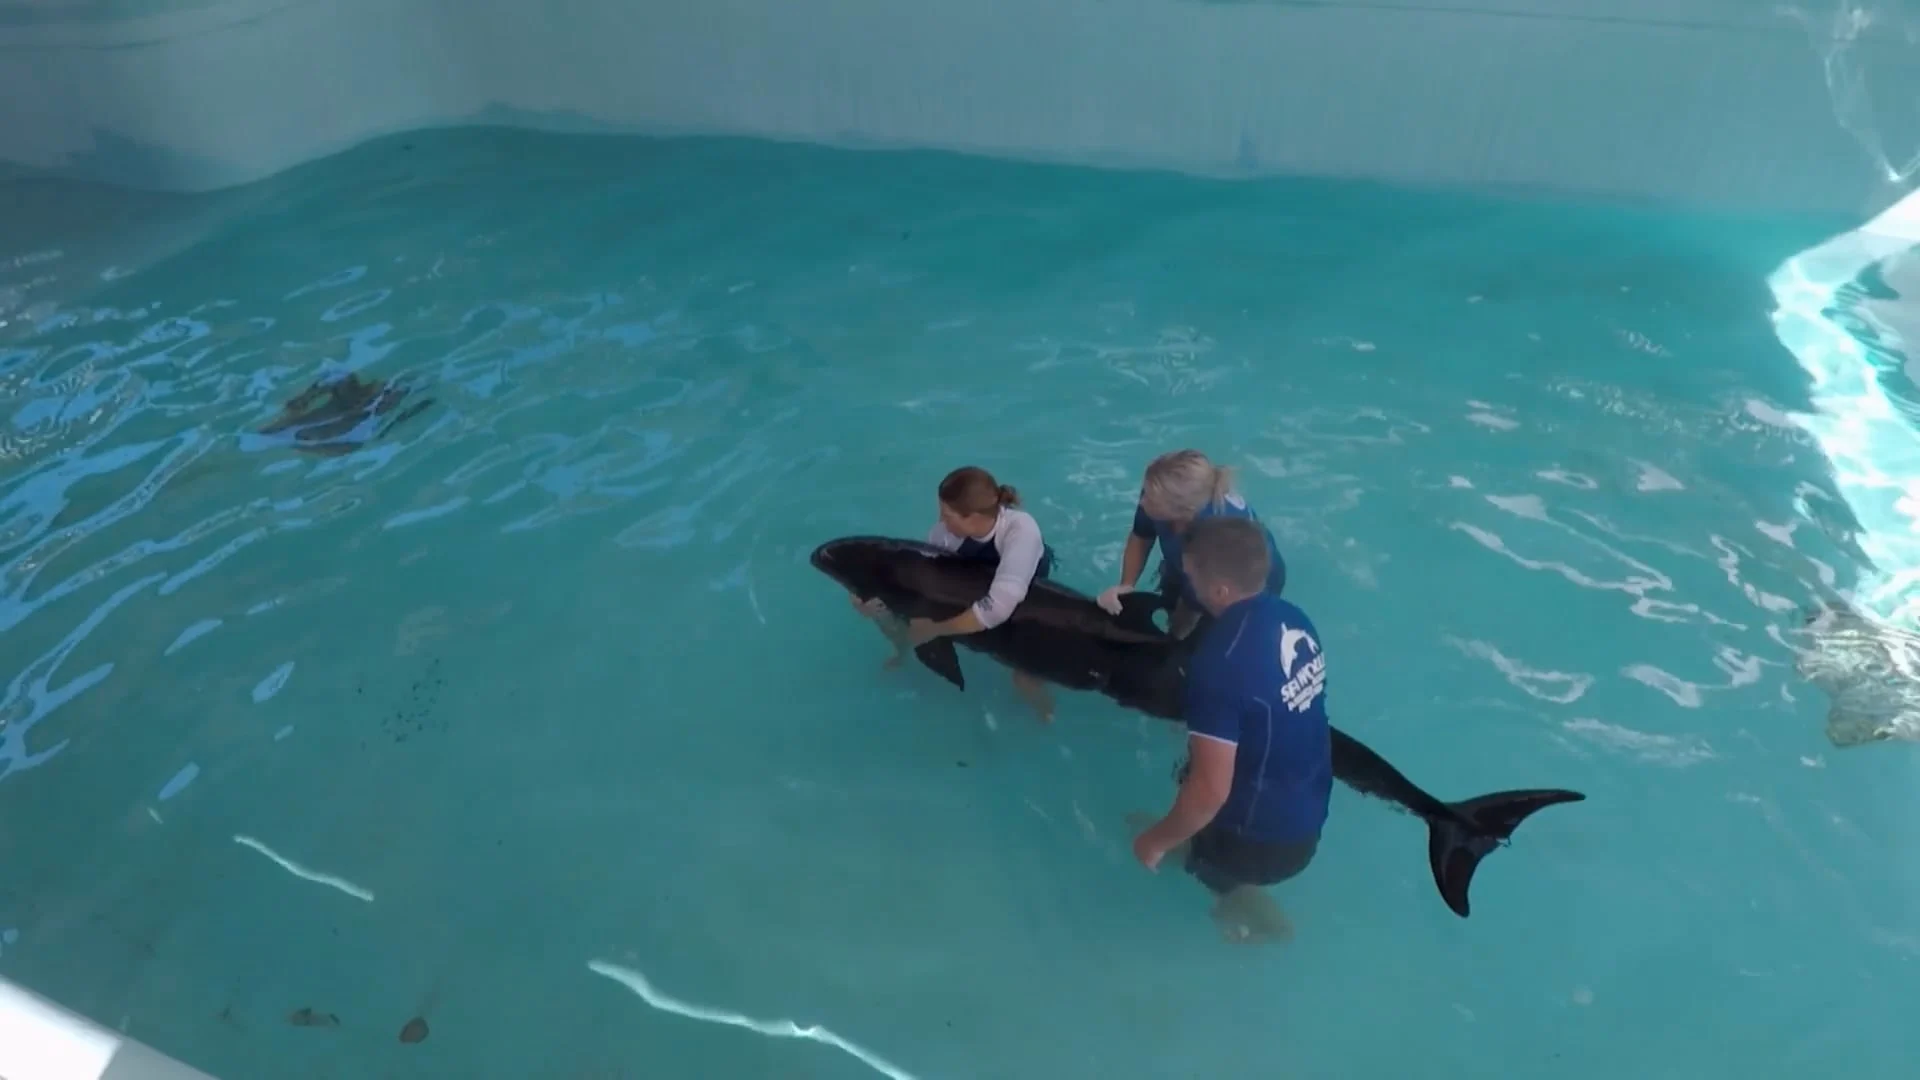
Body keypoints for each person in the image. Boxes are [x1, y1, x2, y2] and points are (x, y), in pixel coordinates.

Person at [1128, 516, 1332, 944]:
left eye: (1191, 574)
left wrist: (1156, 840)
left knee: (1209, 872)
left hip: (1256, 841)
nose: (1187, 582)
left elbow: (1209, 791)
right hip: (1309, 810)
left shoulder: (1219, 664)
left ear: (1220, 590)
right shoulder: (1293, 618)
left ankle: (1256, 919)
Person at [851, 465, 1060, 722]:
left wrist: (937, 628)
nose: (941, 521)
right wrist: (877, 603)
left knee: (1024, 680)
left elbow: (998, 607)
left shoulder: (1021, 530)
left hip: (1026, 596)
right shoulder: (944, 535)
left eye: (947, 515)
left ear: (972, 517)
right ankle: (901, 652)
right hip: (972, 586)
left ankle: (1044, 711)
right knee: (902, 622)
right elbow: (920, 582)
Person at [1097, 449, 1286, 640]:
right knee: (1173, 595)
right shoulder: (1159, 491)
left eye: (1150, 499)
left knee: (1207, 632)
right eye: (1145, 492)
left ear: (1182, 512)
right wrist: (1126, 586)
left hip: (1246, 579)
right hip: (1197, 560)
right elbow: (1141, 535)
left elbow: (1193, 603)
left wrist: (1173, 638)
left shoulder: (1210, 538)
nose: (1143, 502)